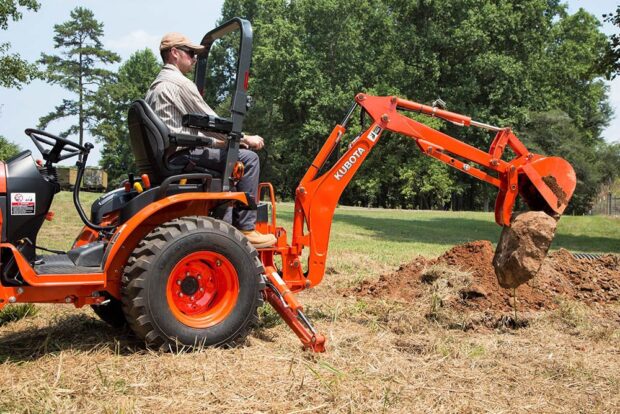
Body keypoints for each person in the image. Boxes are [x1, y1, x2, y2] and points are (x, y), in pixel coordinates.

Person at [145, 32, 276, 248]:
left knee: (228, 161)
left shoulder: (156, 86)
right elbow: (211, 123)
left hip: (173, 155)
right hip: (184, 156)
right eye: (190, 53)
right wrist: (244, 138)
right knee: (249, 159)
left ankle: (221, 225)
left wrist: (222, 143)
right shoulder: (178, 83)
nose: (195, 59)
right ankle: (246, 228)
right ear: (175, 53)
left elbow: (187, 130)